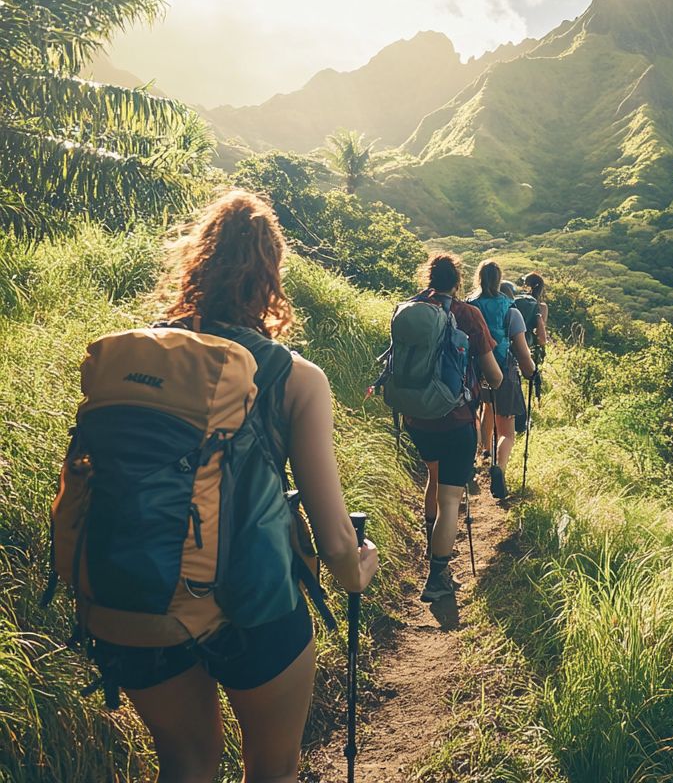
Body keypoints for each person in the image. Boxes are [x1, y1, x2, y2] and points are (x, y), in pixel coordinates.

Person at [92, 190, 379, 783]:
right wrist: (360, 569)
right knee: (272, 769)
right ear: (271, 275)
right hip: (254, 602)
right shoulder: (295, 377)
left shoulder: (134, 362)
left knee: (186, 763)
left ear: (195, 261)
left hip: (136, 596)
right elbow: (335, 544)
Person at [400, 252, 503, 602]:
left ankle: (432, 545)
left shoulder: (407, 309)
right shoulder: (467, 315)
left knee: (433, 476)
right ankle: (438, 578)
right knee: (450, 496)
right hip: (456, 419)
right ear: (457, 280)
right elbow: (494, 375)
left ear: (428, 277)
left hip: (416, 417)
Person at [469, 260, 536, 499]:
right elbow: (522, 352)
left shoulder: (468, 307)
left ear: (478, 278)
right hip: (503, 372)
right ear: (500, 280)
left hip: (474, 372)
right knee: (507, 429)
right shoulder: (511, 310)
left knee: (476, 414)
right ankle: (499, 466)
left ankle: (475, 458)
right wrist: (532, 372)